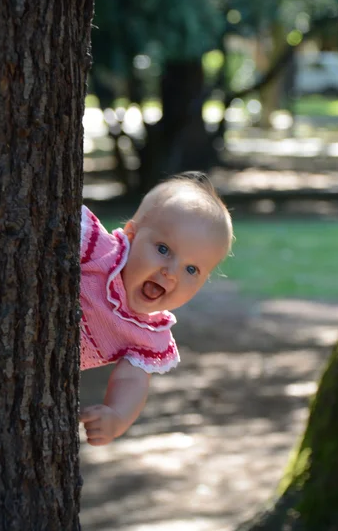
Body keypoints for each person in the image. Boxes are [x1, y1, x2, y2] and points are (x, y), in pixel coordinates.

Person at [80, 171, 233, 446]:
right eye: (163, 249)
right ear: (131, 235)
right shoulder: (98, 252)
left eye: (191, 269)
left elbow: (132, 380)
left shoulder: (147, 336)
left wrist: (117, 417)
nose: (171, 272)